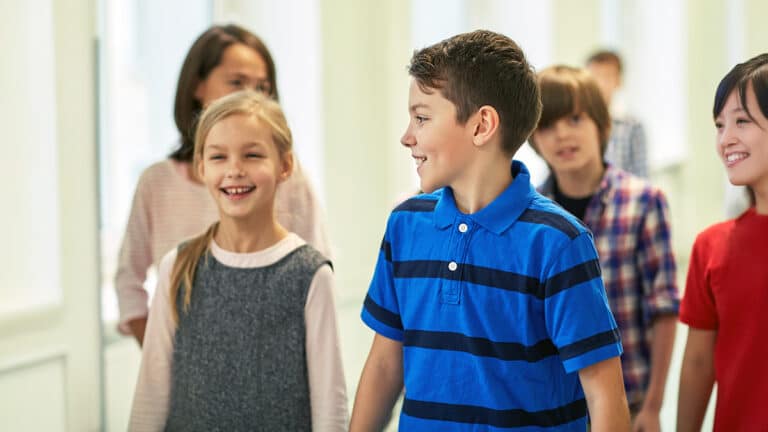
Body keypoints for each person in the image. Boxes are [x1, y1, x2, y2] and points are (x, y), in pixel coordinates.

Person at [350, 30, 630, 432]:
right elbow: (383, 364)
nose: (407, 136)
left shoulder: (558, 242)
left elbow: (604, 395)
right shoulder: (405, 225)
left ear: (482, 125)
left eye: (422, 117)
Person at [128, 90, 348, 431]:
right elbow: (151, 394)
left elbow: (329, 407)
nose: (234, 170)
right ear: (201, 167)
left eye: (252, 155)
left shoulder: (310, 274)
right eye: (219, 157)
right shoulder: (179, 266)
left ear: (285, 165)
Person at [115, 24, 330, 345]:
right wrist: (167, 361)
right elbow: (128, 282)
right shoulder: (156, 184)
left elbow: (316, 275)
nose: (250, 96)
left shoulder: (289, 178)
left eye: (262, 87)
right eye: (237, 82)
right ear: (197, 86)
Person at [529, 65, 679, 431]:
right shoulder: (530, 215)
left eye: (575, 119)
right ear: (532, 139)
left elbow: (665, 309)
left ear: (601, 125)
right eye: (547, 125)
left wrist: (655, 405)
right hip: (556, 408)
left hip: (630, 400)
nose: (562, 134)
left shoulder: (644, 202)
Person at [677, 53, 768, 432]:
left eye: (742, 121)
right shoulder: (711, 246)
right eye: (719, 125)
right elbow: (698, 362)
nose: (725, 139)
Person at [586, 50, 649, 178]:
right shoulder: (578, 122)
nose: (599, 83)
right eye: (594, 76)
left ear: (619, 81)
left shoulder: (632, 125)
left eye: (607, 76)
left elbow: (641, 175)